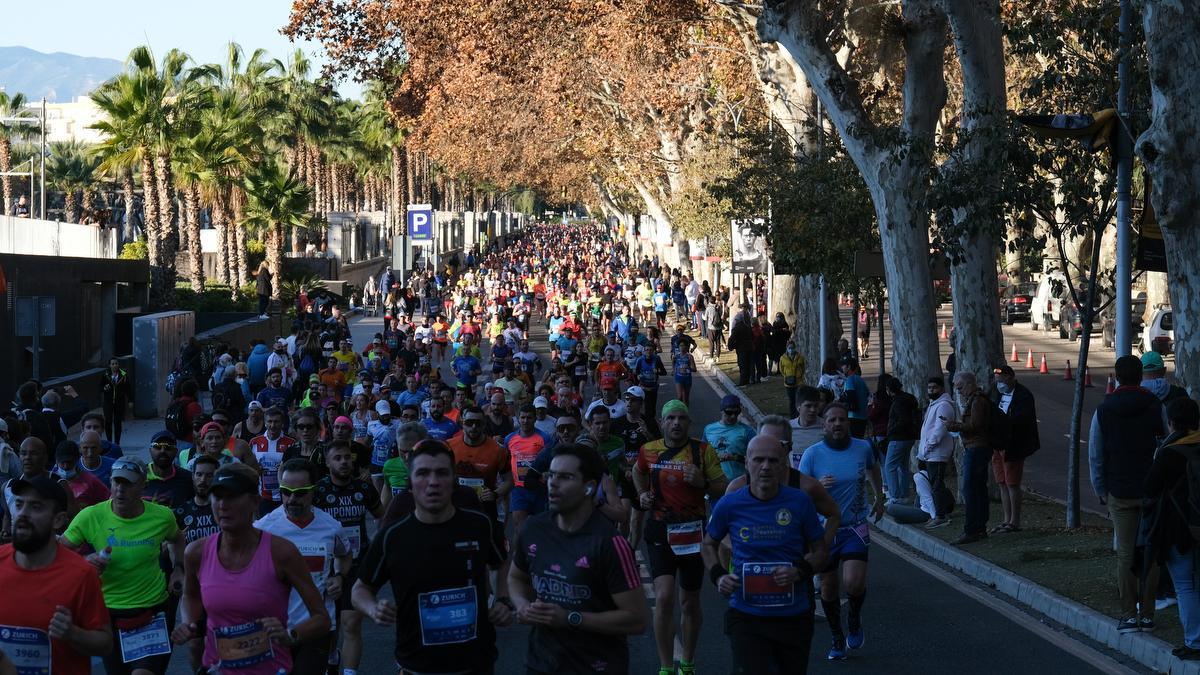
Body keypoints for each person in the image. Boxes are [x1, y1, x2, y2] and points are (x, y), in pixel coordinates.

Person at [353, 439, 511, 673]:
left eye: (442, 473)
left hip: (476, 662)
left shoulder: (479, 525)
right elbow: (360, 590)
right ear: (411, 482)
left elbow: (500, 562)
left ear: (454, 480)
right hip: (417, 663)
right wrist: (373, 608)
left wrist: (502, 600)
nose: (433, 482)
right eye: (423, 474)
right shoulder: (393, 536)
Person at [171, 462, 331, 674]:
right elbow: (191, 596)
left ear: (255, 502)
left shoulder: (282, 552)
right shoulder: (196, 552)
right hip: (218, 668)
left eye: (233, 497)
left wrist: (290, 635)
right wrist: (189, 623)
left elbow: (322, 618)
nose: (223, 505)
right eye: (217, 496)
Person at [509, 443, 649, 675]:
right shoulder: (533, 528)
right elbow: (516, 577)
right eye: (551, 475)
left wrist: (571, 618)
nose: (553, 483)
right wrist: (522, 605)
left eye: (565, 477)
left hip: (596, 665)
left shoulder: (610, 543)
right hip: (540, 663)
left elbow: (636, 620)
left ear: (589, 487)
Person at [703, 434, 828, 673]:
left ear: (783, 464)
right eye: (759, 460)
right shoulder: (730, 504)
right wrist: (718, 575)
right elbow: (708, 544)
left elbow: (820, 551)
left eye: (773, 461)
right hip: (746, 616)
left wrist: (800, 571)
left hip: (793, 617)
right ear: (747, 462)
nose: (766, 466)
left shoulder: (799, 502)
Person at [61, 457, 185, 675]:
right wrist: (84, 563)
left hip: (152, 613)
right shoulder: (91, 516)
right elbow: (58, 553)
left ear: (143, 485)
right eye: (116, 482)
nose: (120, 489)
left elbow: (177, 538)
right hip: (108, 616)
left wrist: (178, 568)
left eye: (128, 483)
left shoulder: (162, 516)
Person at [632, 400, 728, 675]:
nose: (676, 423)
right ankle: (665, 665)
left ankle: (687, 661)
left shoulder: (702, 451)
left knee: (689, 601)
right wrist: (641, 494)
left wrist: (703, 483)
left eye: (681, 418)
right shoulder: (649, 451)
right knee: (662, 597)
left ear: (688, 422)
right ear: (662, 422)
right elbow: (639, 471)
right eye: (671, 418)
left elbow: (723, 488)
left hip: (692, 533)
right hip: (660, 529)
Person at [798, 403, 885, 661]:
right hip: (823, 531)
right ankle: (837, 637)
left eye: (842, 420)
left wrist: (880, 497)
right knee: (827, 586)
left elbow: (873, 469)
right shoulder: (812, 454)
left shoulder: (862, 447)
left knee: (854, 582)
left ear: (848, 423)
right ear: (824, 424)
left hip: (854, 525)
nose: (837, 424)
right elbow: (799, 492)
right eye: (832, 420)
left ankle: (855, 618)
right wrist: (817, 486)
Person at [0, 475, 111, 674]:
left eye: (36, 507)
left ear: (58, 520)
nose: (22, 514)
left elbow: (105, 644)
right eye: (19, 504)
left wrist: (73, 633)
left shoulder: (80, 574)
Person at [1088, 354, 1164, 633]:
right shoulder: (1155, 406)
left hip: (1118, 491)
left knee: (1125, 555)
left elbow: (1095, 453)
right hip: (1150, 490)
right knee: (1151, 554)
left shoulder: (1104, 410)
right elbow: (1163, 446)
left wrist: (1101, 489)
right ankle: (1148, 613)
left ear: (1117, 377)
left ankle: (1129, 613)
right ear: (1140, 374)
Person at [254, 459, 351, 673]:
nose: (291, 499)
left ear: (313, 491)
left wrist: (339, 576)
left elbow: (345, 555)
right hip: (274, 629)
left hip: (316, 628)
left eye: (300, 493)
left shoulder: (331, 527)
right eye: (285, 492)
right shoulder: (263, 529)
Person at [316, 441, 384, 675]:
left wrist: (376, 547)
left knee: (351, 624)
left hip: (357, 563)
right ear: (327, 462)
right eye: (338, 458)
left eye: (347, 457)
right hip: (326, 565)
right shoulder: (318, 491)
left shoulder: (363, 489)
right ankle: (332, 657)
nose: (344, 462)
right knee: (328, 625)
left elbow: (381, 518)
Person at [1144, 398, 1200, 659]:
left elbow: (1150, 488)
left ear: (1173, 422)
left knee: (1184, 586)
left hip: (1179, 529)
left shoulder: (1168, 453)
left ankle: (1194, 642)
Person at [945, 372, 993, 546]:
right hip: (975, 447)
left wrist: (955, 425)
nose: (959, 392)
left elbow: (975, 426)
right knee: (976, 489)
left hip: (977, 448)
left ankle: (972, 529)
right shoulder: (975, 399)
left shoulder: (978, 401)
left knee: (971, 489)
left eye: (960, 388)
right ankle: (978, 527)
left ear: (970, 384)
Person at [992, 365, 1040, 533]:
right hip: (998, 445)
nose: (999, 384)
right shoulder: (999, 394)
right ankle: (1006, 519)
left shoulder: (1023, 396)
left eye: (1002, 380)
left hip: (1014, 445)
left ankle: (1014, 521)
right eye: (997, 381)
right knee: (1002, 483)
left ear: (1011, 378)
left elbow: (1020, 421)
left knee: (1012, 483)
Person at [917, 376, 955, 528]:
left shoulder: (944, 406)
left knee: (937, 484)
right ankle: (942, 510)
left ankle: (940, 515)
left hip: (937, 453)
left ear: (941, 389)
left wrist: (928, 447)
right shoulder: (934, 404)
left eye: (934, 388)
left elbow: (939, 430)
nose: (931, 390)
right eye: (929, 388)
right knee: (935, 484)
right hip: (929, 453)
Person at [882, 376, 920, 506]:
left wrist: (891, 430)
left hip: (898, 438)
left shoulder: (898, 402)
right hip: (909, 437)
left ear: (888, 389)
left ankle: (895, 496)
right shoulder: (909, 399)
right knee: (903, 466)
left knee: (890, 466)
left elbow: (902, 420)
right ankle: (904, 495)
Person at [703, 394, 757, 482]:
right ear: (721, 411)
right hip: (714, 483)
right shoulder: (708, 429)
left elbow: (757, 459)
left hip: (737, 483)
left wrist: (735, 457)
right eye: (729, 412)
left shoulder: (747, 431)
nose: (733, 416)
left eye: (736, 413)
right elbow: (702, 455)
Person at [53, 440, 109, 509]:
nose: (65, 466)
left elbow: (108, 501)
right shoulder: (50, 480)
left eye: (69, 462)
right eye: (62, 463)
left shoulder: (91, 481)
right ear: (56, 461)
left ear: (77, 460)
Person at [100, 358, 131, 444]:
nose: (114, 365)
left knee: (117, 423)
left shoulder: (123, 375)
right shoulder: (105, 375)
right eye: (112, 364)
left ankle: (117, 442)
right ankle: (109, 441)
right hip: (108, 403)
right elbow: (100, 387)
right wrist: (104, 388)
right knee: (108, 422)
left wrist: (130, 401)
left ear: (118, 365)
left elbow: (128, 388)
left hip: (119, 402)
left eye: (116, 363)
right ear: (109, 365)